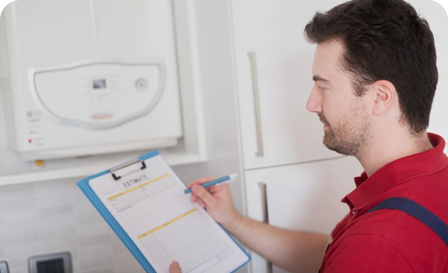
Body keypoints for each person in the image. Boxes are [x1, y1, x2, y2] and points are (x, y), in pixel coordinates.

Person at [171, 0, 448, 272]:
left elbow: (359, 253)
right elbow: (331, 253)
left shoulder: (375, 243)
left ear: (380, 97)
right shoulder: (432, 178)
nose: (311, 104)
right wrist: (233, 221)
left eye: (323, 86)